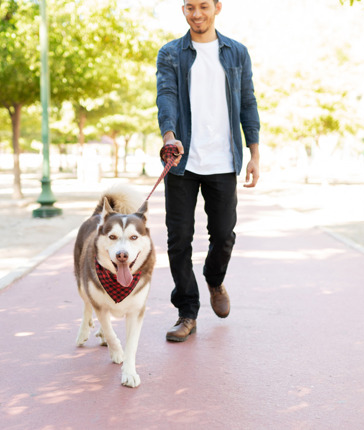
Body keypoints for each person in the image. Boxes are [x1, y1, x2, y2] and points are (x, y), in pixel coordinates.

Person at [156, 0, 260, 342]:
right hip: (182, 163)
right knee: (178, 241)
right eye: (189, 7)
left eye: (203, 6)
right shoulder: (171, 53)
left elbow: (248, 102)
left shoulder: (237, 53)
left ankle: (214, 279)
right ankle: (187, 312)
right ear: (182, 10)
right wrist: (170, 138)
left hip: (222, 162)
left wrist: (254, 153)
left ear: (217, 7)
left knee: (225, 235)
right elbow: (166, 96)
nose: (196, 14)